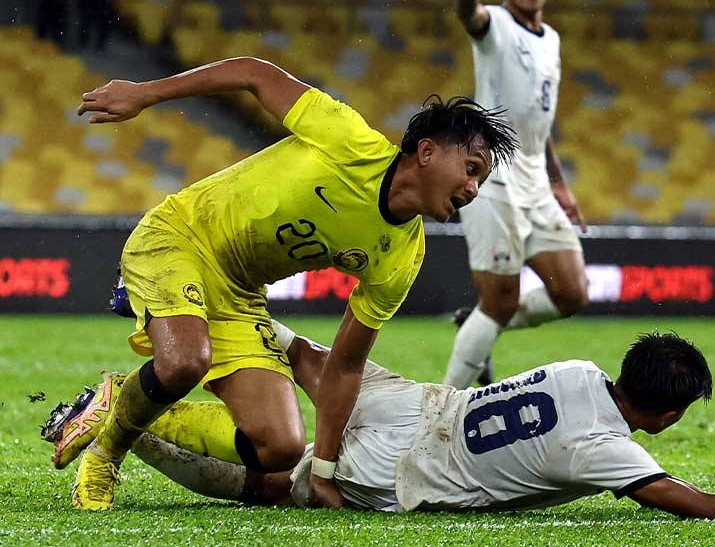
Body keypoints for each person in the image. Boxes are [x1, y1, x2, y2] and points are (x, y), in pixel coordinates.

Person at [62, 56, 517, 511]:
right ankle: (106, 456)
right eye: (472, 168)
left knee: (279, 447)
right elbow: (253, 73)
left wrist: (323, 468)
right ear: (428, 151)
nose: (473, 189)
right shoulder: (350, 141)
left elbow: (345, 365)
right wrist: (145, 93)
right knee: (185, 360)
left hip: (240, 294)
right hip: (179, 236)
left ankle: (121, 399)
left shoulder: (403, 254)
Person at [45, 328, 715, 518]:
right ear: (669, 412)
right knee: (271, 479)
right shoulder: (604, 451)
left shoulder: (578, 372)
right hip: (410, 473)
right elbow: (694, 503)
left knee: (321, 368)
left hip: (425, 407)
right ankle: (126, 414)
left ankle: (218, 328)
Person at [443, 0, 589, 389]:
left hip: (537, 184)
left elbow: (536, 122)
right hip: (495, 179)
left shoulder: (552, 40)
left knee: (572, 293)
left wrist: (560, 185)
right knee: (501, 301)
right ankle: (440, 409)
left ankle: (478, 325)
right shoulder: (495, 28)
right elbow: (468, 14)